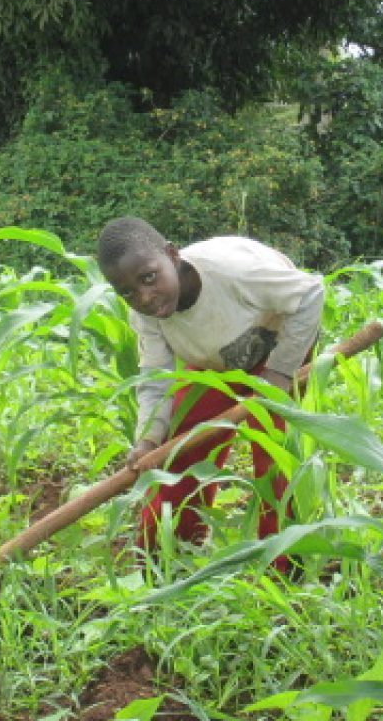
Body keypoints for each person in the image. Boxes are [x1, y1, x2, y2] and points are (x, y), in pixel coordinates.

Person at [96, 216, 324, 565]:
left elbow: (310, 294)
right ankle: (167, 558)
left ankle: (285, 566)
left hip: (276, 345)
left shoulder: (234, 271)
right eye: (127, 292)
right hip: (211, 365)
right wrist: (147, 440)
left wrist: (278, 375)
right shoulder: (148, 313)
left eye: (149, 278)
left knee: (274, 456)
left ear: (172, 255)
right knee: (182, 451)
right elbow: (156, 381)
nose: (144, 296)